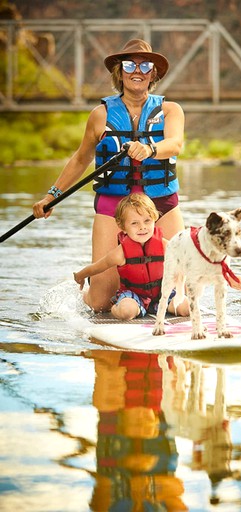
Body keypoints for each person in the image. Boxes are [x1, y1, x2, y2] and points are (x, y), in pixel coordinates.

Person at [32, 38, 185, 312]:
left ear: (153, 73)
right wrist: (51, 196)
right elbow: (81, 158)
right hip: (114, 202)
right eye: (130, 65)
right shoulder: (100, 115)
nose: (137, 71)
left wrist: (149, 149)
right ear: (120, 72)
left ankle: (149, 299)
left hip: (161, 203)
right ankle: (98, 295)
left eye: (145, 65)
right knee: (101, 303)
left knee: (180, 293)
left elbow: (175, 144)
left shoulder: (170, 110)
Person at [73, 194, 189, 320]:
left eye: (147, 221)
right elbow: (98, 267)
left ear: (154, 219)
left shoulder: (165, 245)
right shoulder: (121, 253)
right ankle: (115, 307)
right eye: (134, 223)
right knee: (127, 312)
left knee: (186, 307)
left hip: (162, 294)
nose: (142, 227)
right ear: (123, 227)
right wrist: (80, 276)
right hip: (133, 297)